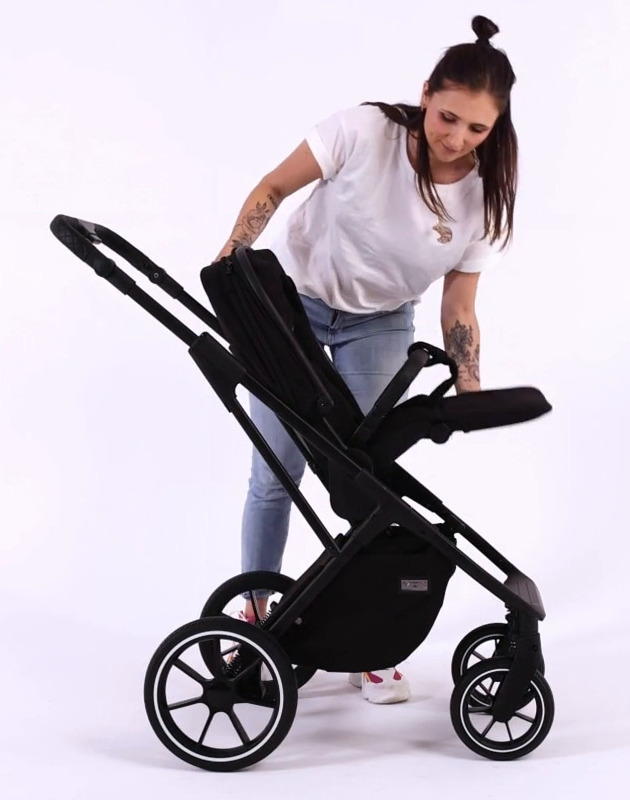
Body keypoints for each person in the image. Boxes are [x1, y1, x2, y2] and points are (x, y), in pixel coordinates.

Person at [212, 15, 517, 703]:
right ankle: (257, 615)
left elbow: (459, 305)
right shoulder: (362, 130)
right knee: (277, 470)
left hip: (380, 322)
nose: (456, 138)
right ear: (426, 94)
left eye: (477, 129)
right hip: (290, 305)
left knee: (365, 481)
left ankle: (364, 637)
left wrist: (468, 384)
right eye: (447, 118)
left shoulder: (484, 199)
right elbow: (272, 189)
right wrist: (229, 267)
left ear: (496, 128)